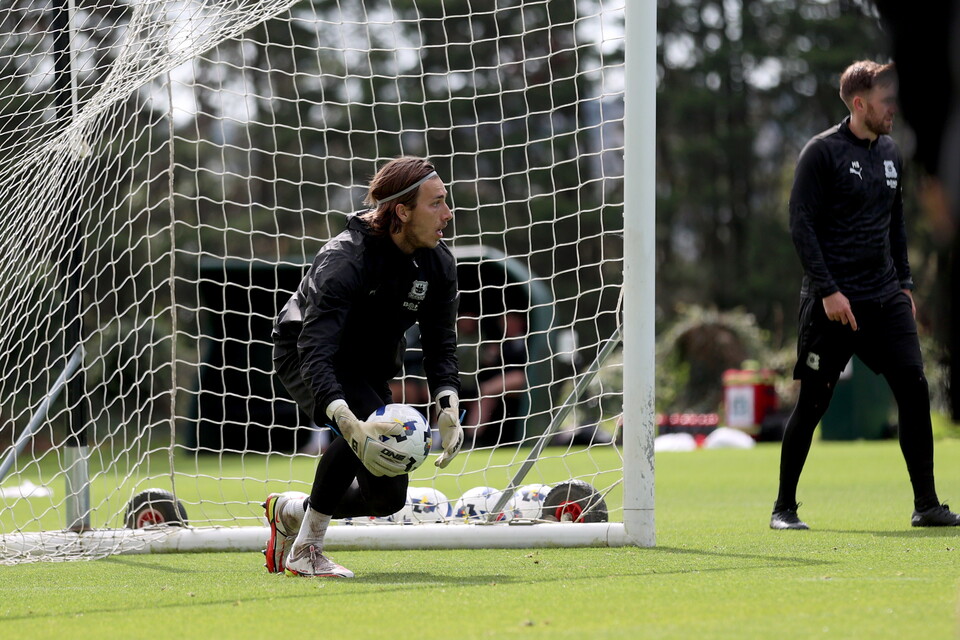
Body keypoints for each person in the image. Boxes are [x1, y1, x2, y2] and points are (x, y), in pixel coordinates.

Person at [770, 60, 960, 530]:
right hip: (831, 304)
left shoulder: (892, 152)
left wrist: (905, 284)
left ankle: (927, 505)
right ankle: (783, 509)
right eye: (884, 100)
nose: (892, 107)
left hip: (885, 296)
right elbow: (802, 226)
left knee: (914, 390)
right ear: (859, 104)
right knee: (814, 402)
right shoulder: (821, 153)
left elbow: (895, 223)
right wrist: (830, 292)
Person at [265, 156, 465, 577]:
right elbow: (315, 348)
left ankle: (289, 513)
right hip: (306, 355)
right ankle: (306, 551)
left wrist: (447, 400)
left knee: (387, 496)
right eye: (437, 203)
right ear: (402, 211)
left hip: (368, 368)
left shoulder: (438, 263)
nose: (448, 213)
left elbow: (440, 342)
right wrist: (340, 414)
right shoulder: (344, 260)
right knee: (357, 431)